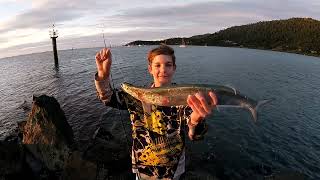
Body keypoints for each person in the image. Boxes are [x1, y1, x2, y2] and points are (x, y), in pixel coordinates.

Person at [94, 45, 217, 180]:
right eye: (157, 65)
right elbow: (108, 98)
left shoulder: (185, 99)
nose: (163, 70)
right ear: (150, 69)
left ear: (174, 68)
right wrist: (103, 75)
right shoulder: (136, 96)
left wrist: (195, 120)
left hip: (173, 170)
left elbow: (195, 135)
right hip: (143, 168)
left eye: (168, 65)